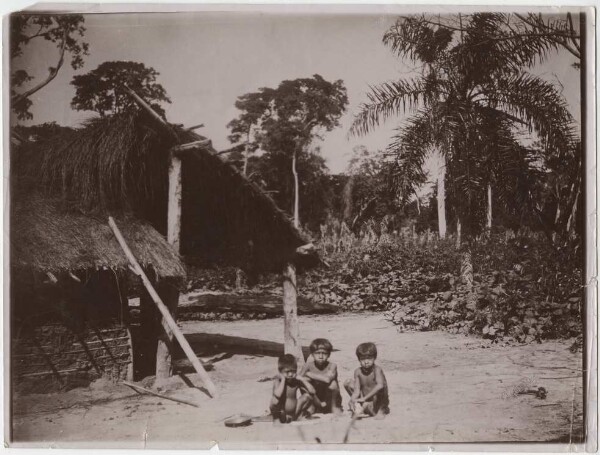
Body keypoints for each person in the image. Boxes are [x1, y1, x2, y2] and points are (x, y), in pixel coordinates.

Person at [344, 342, 390, 419]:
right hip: (367, 401)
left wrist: (364, 399)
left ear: (374, 358)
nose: (366, 362)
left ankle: (381, 410)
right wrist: (353, 399)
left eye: (369, 358)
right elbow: (357, 390)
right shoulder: (358, 371)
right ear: (359, 359)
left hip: (377, 403)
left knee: (380, 387)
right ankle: (360, 407)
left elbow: (380, 385)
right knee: (348, 382)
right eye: (363, 359)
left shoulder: (377, 370)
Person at [300, 338, 342, 415]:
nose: (321, 356)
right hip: (315, 397)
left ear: (329, 354)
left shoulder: (332, 366)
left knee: (333, 384)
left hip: (328, 399)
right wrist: (306, 381)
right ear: (312, 354)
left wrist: (310, 374)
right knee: (304, 381)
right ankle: (311, 406)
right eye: (317, 353)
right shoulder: (307, 366)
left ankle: (334, 407)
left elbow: (327, 379)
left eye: (324, 353)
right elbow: (298, 379)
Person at [270, 354, 316, 423]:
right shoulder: (278, 381)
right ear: (280, 371)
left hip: (294, 411)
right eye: (287, 372)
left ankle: (295, 417)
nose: (290, 374)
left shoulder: (295, 381)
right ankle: (277, 419)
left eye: (293, 371)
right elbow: (278, 395)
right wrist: (283, 379)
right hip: (282, 413)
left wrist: (302, 379)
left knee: (307, 396)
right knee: (274, 401)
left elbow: (313, 392)